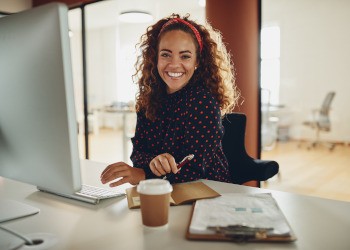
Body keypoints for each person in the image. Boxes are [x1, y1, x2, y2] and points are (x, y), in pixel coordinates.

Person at [100, 13, 239, 187]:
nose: (174, 64)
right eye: (166, 54)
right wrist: (153, 162)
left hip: (208, 191)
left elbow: (195, 170)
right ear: (155, 58)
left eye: (185, 56)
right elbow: (138, 153)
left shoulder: (204, 102)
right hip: (164, 190)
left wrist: (144, 174)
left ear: (197, 61)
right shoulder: (149, 98)